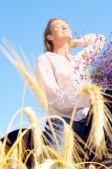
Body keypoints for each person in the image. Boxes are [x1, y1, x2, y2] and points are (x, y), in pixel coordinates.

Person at [35, 19, 105, 154]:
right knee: (58, 166)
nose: (64, 26)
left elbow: (99, 39)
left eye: (66, 25)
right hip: (62, 123)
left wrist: (74, 43)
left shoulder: (78, 60)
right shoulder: (45, 59)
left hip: (88, 122)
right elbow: (55, 99)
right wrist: (88, 99)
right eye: (58, 26)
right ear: (49, 37)